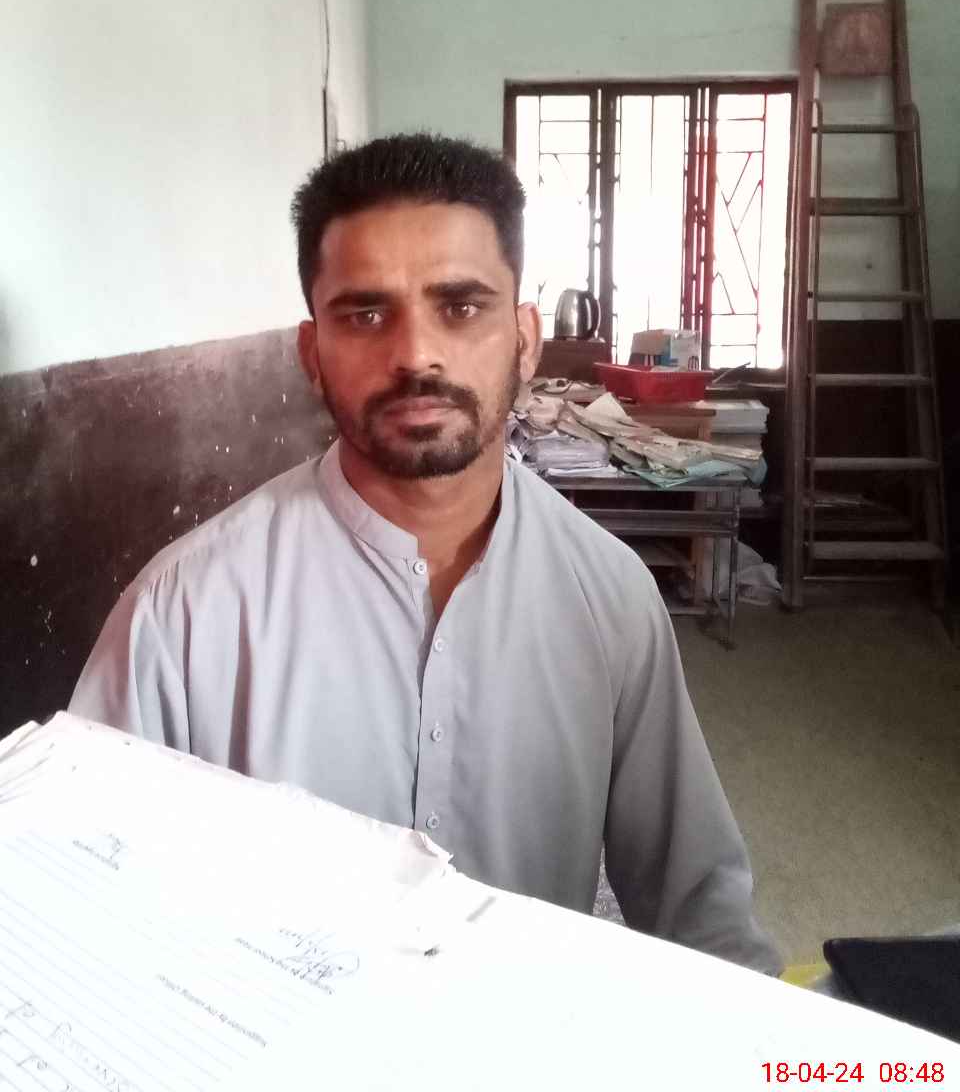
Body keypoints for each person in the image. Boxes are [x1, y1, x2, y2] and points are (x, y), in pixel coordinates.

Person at [70, 132, 780, 975]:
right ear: (311, 354)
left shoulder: (608, 594)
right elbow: (84, 908)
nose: (415, 355)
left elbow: (701, 915)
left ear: (524, 339)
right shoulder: (186, 611)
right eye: (365, 314)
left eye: (462, 306)